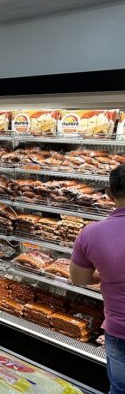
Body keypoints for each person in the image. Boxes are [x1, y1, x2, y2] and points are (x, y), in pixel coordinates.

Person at [70, 164, 125, 394]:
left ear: (109, 194)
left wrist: (106, 273)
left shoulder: (91, 233)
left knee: (120, 389)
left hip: (119, 331)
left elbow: (78, 278)